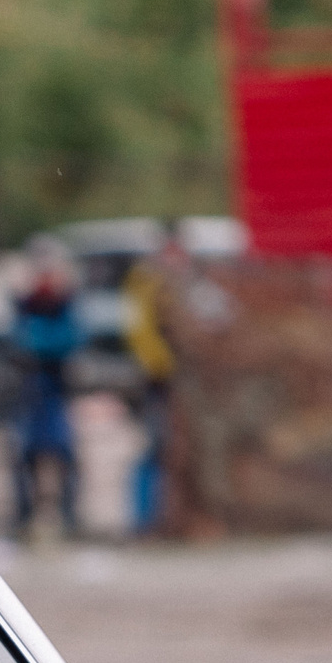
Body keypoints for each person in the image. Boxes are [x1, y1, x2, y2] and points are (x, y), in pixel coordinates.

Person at [8, 237, 81, 538]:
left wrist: (37, 345)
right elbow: (16, 343)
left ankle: (69, 517)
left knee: (65, 456)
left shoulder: (64, 305)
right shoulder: (23, 305)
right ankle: (26, 519)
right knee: (24, 458)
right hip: (28, 393)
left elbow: (67, 340)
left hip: (55, 391)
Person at [122, 227, 179, 534]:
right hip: (157, 380)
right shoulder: (145, 283)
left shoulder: (175, 282)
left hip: (173, 380)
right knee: (155, 447)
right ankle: (144, 518)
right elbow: (140, 333)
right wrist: (162, 366)